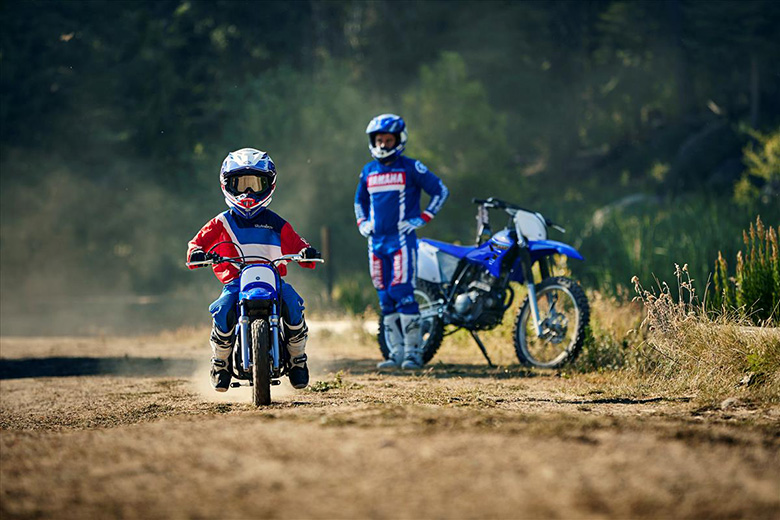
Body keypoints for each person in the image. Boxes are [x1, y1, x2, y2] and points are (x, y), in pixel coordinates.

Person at [187, 148, 320, 392]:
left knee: (293, 303)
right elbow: (197, 243)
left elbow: (299, 244)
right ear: (227, 184)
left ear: (269, 185)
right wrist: (196, 253)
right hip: (237, 281)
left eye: (255, 184)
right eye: (241, 184)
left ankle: (298, 358)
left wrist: (306, 252)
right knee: (223, 308)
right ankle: (220, 363)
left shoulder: (276, 223)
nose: (248, 193)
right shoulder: (221, 222)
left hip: (272, 280)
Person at [354, 114, 449, 369]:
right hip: (375, 243)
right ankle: (394, 354)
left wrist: (424, 217)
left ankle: (413, 354)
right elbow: (359, 201)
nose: (383, 144)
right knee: (385, 297)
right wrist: (362, 223)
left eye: (388, 139)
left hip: (402, 241)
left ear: (399, 139)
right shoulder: (368, 171)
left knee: (403, 293)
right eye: (379, 140)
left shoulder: (411, 167)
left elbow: (440, 190)